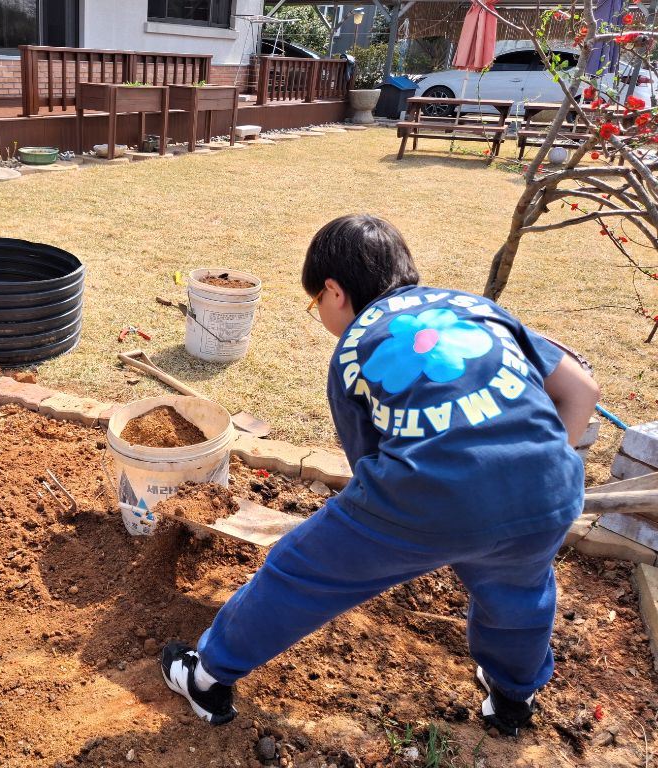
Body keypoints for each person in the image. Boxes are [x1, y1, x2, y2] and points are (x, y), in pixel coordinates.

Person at [161, 214, 599, 736]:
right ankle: (513, 697)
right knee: (518, 595)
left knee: (299, 574)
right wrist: (534, 470)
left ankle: (206, 678)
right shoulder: (475, 308)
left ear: (334, 291)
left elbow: (367, 469)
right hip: (550, 490)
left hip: (429, 495)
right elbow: (582, 391)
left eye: (315, 303)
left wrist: (397, 538)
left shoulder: (356, 346)